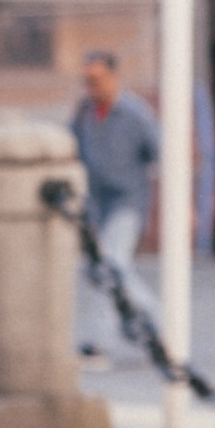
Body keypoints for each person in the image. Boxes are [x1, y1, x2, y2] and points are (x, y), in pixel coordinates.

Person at [68, 50, 158, 353]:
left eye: (96, 80)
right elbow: (72, 150)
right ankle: (138, 321)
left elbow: (162, 152)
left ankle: (149, 324)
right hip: (96, 206)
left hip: (127, 202)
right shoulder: (84, 115)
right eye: (86, 81)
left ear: (112, 78)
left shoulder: (135, 115)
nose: (90, 87)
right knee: (99, 269)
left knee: (112, 266)